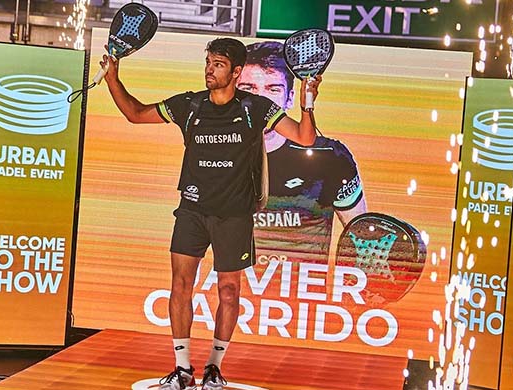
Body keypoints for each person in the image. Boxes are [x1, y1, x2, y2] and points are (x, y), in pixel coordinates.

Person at [99, 38, 321, 390]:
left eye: (218, 64)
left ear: (235, 72)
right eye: (208, 62)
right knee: (180, 286)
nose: (209, 69)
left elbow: (305, 138)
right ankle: (182, 367)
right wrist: (113, 78)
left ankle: (214, 367)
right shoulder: (189, 105)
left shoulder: (257, 108)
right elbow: (135, 114)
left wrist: (308, 101)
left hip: (234, 215)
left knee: (229, 292)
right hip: (192, 210)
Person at [238, 41, 367, 267]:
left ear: (289, 98)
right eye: (248, 89)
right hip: (233, 296)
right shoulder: (212, 149)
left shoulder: (330, 158)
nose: (260, 100)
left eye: (273, 89)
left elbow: (361, 239)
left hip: (301, 298)